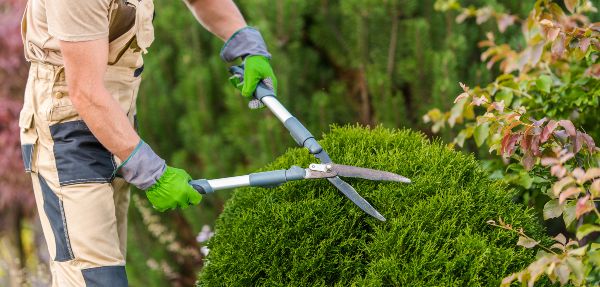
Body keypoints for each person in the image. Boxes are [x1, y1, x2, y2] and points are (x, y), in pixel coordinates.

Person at [19, 0, 276, 285]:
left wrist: (245, 43)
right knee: (94, 277)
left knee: (109, 268)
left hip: (117, 119)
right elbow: (86, 92)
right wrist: (153, 173)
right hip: (67, 131)